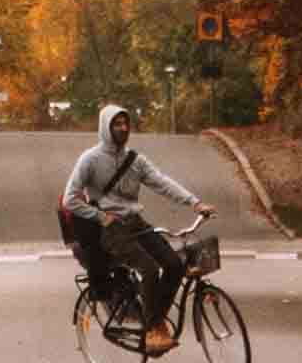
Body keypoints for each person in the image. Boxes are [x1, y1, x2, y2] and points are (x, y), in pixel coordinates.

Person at [60, 101, 208, 333]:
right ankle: (153, 329)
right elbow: (70, 199)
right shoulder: (90, 159)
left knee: (174, 265)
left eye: (125, 123)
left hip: (136, 223)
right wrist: (100, 216)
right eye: (116, 124)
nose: (122, 128)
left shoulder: (136, 161)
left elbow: (162, 182)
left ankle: (156, 318)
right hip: (111, 229)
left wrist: (195, 202)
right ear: (105, 128)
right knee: (148, 269)